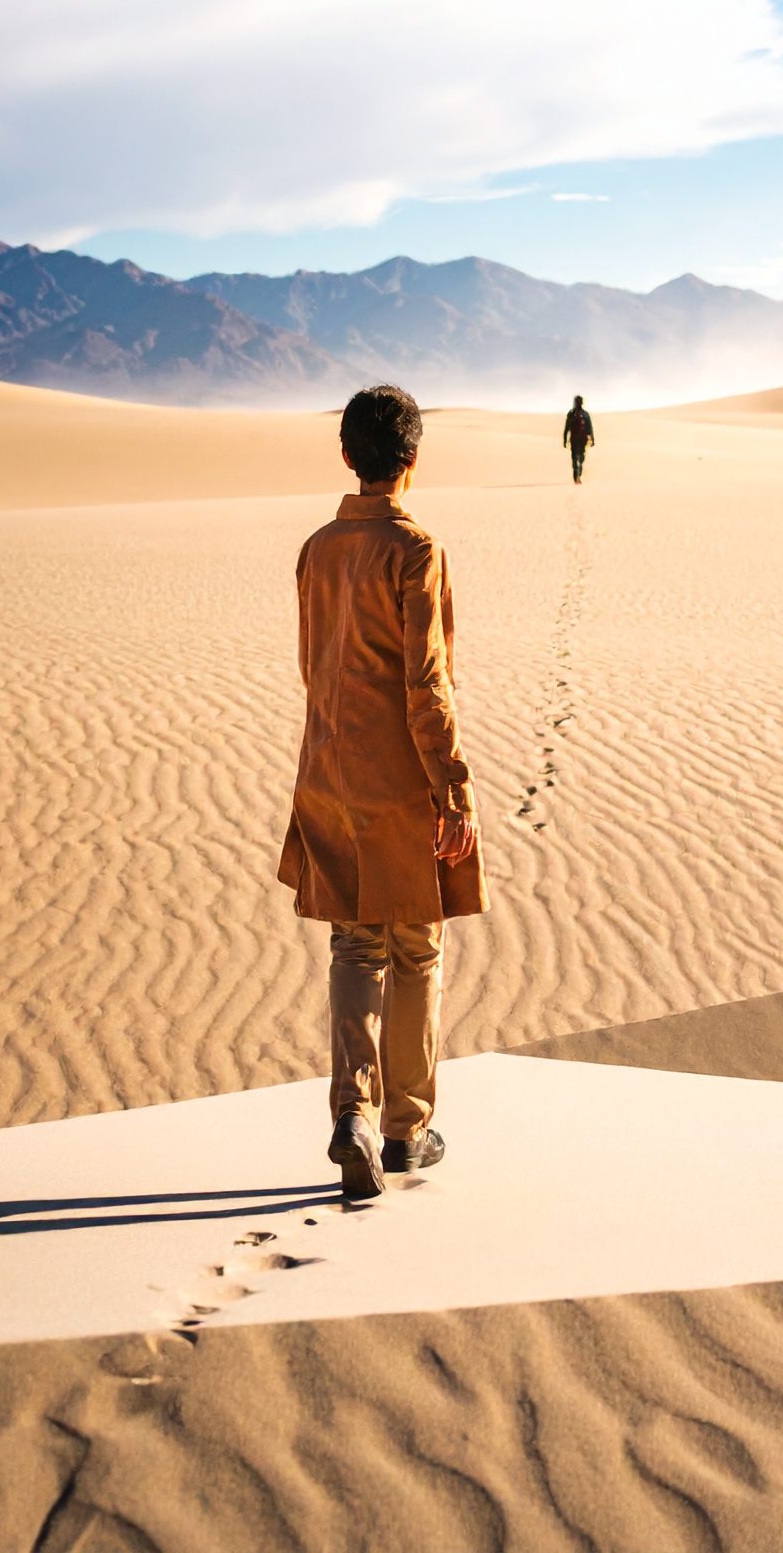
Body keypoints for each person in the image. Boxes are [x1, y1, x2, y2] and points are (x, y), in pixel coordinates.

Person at [278, 383, 487, 1199]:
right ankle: (404, 1130)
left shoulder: (317, 547)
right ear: (412, 459)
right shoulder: (416, 550)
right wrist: (453, 790)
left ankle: (351, 1114)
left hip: (326, 772)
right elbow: (425, 686)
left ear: (347, 456)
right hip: (399, 777)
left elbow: (311, 666)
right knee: (416, 949)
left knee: (354, 945)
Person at [563, 393, 595, 483]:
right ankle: (578, 476)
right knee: (579, 458)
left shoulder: (573, 413)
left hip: (577, 439)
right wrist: (592, 439)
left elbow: (567, 428)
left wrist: (565, 440)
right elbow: (590, 428)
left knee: (577, 458)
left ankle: (577, 476)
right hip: (580, 439)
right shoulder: (583, 414)